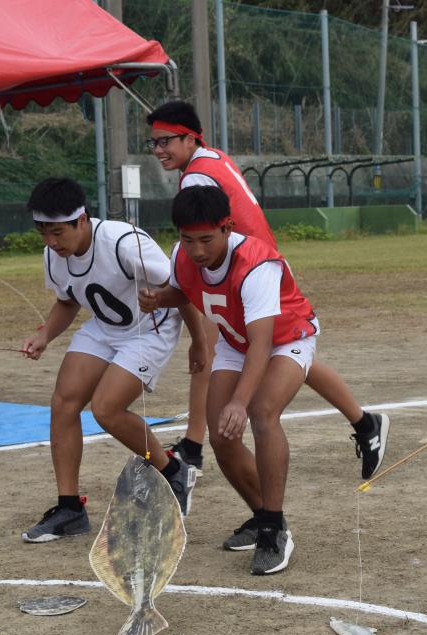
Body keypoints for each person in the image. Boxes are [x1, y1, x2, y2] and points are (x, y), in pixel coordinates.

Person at [145, 100, 389, 486]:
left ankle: (194, 445)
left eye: (165, 141)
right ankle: (364, 421)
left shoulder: (195, 180)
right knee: (285, 352)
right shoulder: (212, 158)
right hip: (254, 268)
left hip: (244, 274)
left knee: (233, 359)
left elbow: (208, 245)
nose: (158, 150)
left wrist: (197, 340)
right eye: (153, 143)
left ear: (191, 138)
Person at [138, 185, 315, 575]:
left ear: (227, 227)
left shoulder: (256, 265)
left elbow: (262, 343)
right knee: (220, 436)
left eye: (206, 239)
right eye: (187, 239)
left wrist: (239, 400)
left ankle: (273, 528)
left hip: (287, 339)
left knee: (261, 413)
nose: (197, 250)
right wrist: (157, 297)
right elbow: (183, 292)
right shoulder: (182, 255)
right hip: (237, 342)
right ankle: (262, 515)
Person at [19, 177, 208, 543]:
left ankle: (173, 472)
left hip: (149, 328)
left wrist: (199, 342)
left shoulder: (124, 242)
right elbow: (68, 300)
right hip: (104, 327)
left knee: (106, 408)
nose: (50, 242)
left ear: (82, 220)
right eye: (43, 233)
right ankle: (70, 508)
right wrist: (44, 335)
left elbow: (180, 289)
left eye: (58, 232)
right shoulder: (53, 255)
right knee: (64, 402)